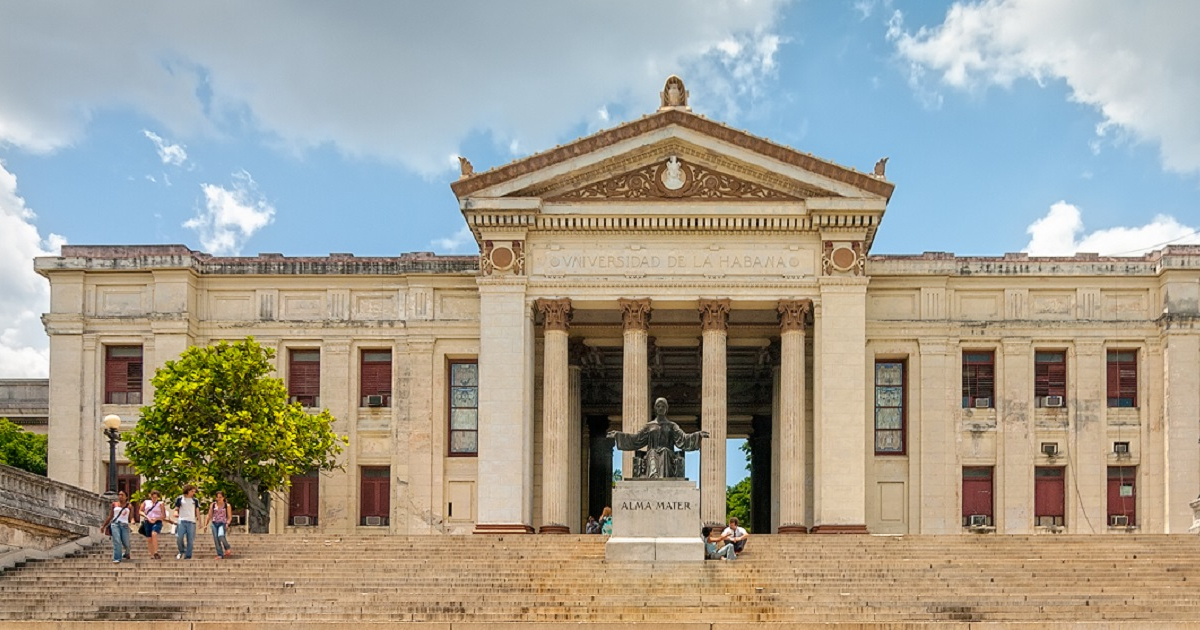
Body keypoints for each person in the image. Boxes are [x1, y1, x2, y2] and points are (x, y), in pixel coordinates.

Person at [608, 398, 708, 479]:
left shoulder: (672, 426)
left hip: (668, 456)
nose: (661, 408)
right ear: (655, 408)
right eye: (658, 406)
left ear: (666, 409)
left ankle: (660, 478)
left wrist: (698, 435)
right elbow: (636, 439)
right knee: (652, 452)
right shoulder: (649, 426)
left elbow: (683, 439)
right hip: (652, 455)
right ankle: (653, 477)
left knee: (664, 451)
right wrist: (618, 435)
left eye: (663, 406)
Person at [101, 490, 133, 563]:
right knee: (117, 541)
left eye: (122, 495)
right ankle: (117, 558)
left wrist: (132, 520)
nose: (120, 496)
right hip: (115, 524)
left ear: (126, 497)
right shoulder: (114, 504)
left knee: (127, 544)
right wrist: (103, 526)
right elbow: (110, 516)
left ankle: (127, 553)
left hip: (124, 525)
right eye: (119, 495)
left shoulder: (129, 506)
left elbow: (131, 517)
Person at [202, 490, 234, 559]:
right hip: (214, 523)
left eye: (220, 497)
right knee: (216, 539)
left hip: (222, 523)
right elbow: (209, 515)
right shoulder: (213, 505)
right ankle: (220, 554)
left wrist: (227, 523)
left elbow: (229, 517)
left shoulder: (227, 505)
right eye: (218, 497)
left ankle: (227, 547)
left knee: (221, 535)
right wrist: (205, 525)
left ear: (223, 497)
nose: (219, 499)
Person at [173, 484, 200, 560]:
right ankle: (181, 551)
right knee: (179, 537)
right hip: (182, 520)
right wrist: (176, 513)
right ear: (187, 491)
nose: (193, 493)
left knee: (190, 540)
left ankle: (188, 556)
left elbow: (197, 511)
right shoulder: (180, 498)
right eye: (192, 491)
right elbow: (176, 508)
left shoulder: (195, 500)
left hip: (191, 521)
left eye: (194, 491)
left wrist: (200, 522)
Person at [140, 490, 167, 559]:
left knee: (154, 533)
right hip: (147, 521)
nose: (154, 499)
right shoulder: (146, 502)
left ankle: (155, 552)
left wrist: (156, 519)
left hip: (157, 521)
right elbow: (140, 511)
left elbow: (164, 515)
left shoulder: (160, 504)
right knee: (149, 538)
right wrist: (147, 517)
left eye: (156, 497)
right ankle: (151, 554)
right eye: (153, 497)